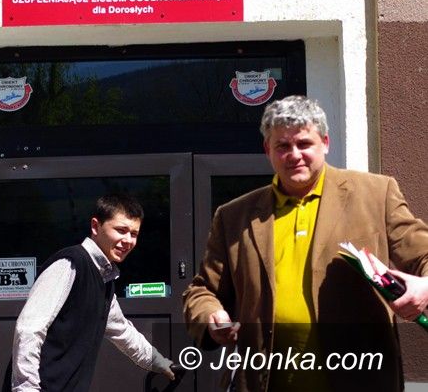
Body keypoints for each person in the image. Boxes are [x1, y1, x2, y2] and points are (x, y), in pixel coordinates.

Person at [183, 95, 428, 392]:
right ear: (267, 150)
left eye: (304, 143)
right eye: (282, 146)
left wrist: (424, 286)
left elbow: (423, 254)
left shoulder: (375, 194)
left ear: (325, 143)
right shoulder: (234, 216)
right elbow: (202, 290)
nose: (294, 155)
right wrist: (210, 316)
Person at [11, 194, 175, 391]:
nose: (128, 240)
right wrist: (27, 389)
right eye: (121, 230)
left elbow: (122, 331)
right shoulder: (70, 264)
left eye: (134, 234)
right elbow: (29, 329)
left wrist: (159, 362)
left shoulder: (104, 279)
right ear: (96, 226)